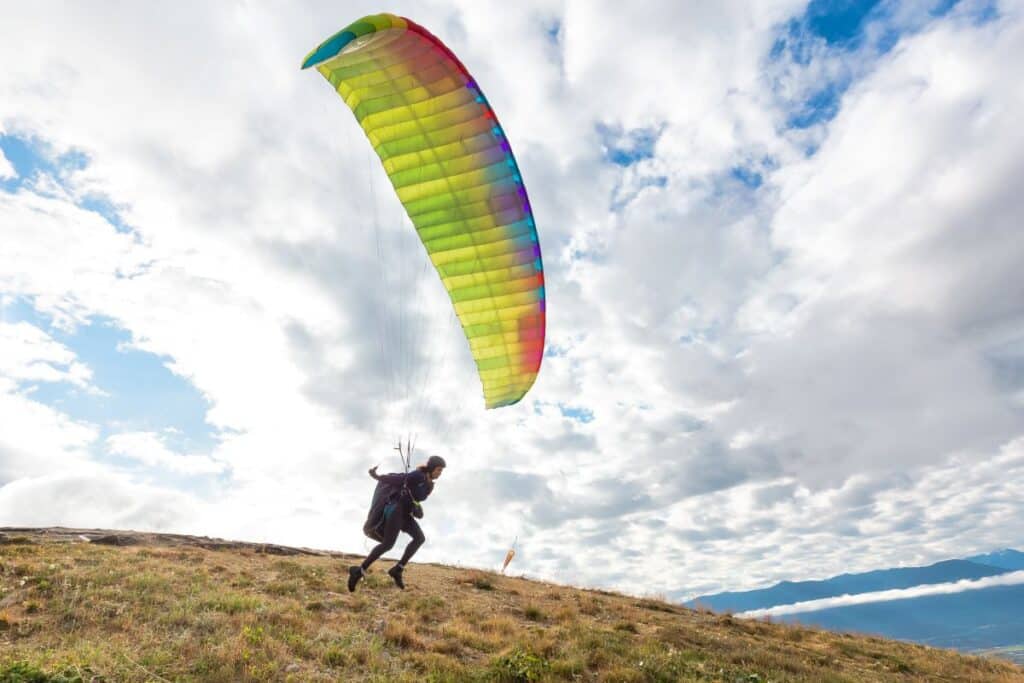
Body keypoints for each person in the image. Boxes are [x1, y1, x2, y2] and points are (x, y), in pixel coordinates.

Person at [348, 454, 446, 591]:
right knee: (388, 544)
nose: (440, 473)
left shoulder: (429, 485)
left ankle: (398, 569)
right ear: (431, 467)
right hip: (396, 509)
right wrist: (377, 477)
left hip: (406, 514)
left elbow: (415, 498)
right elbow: (398, 479)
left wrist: (418, 508)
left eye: (441, 471)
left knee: (419, 538)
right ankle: (359, 571)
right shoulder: (418, 475)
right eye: (439, 470)